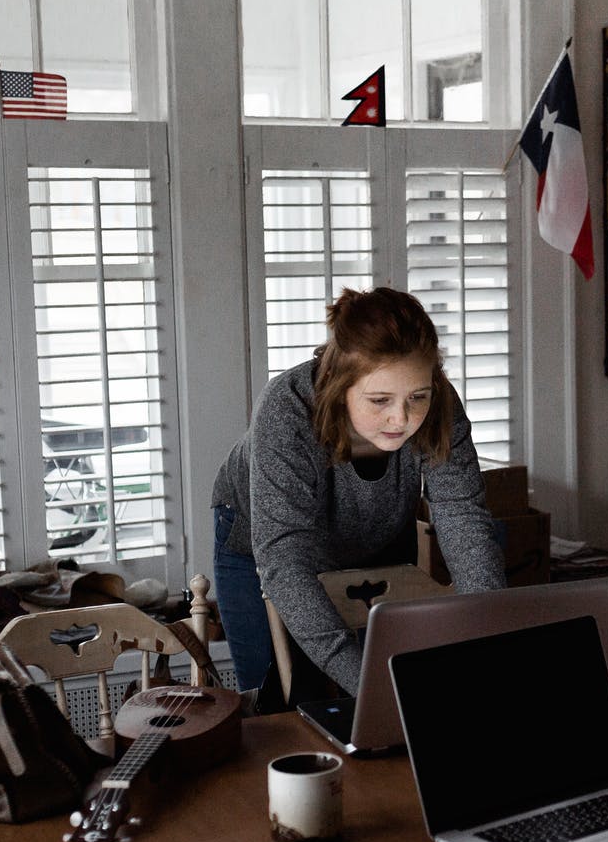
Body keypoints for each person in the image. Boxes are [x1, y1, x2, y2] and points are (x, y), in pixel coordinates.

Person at [210, 287, 505, 698]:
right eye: (380, 399)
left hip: (375, 533)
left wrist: (490, 637)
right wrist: (369, 687)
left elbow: (463, 516)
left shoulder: (439, 405)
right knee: (276, 703)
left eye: (417, 397)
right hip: (264, 547)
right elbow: (286, 562)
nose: (401, 418)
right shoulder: (286, 409)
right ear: (337, 384)